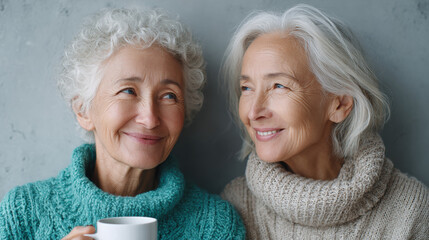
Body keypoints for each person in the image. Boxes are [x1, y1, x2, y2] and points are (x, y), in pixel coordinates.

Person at [0, 8, 245, 239]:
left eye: (169, 96)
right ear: (83, 110)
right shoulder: (24, 213)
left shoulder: (215, 225)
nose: (150, 118)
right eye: (128, 91)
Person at [221, 4, 428, 239]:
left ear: (339, 104)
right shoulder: (233, 208)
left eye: (279, 86)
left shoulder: (409, 212)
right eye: (246, 88)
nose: (253, 111)